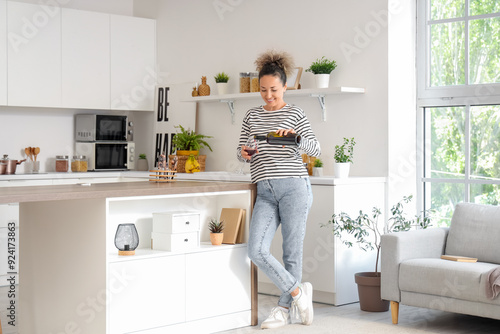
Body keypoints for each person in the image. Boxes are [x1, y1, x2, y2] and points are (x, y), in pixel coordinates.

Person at [236, 50, 321, 329]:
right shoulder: (251, 115)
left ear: (285, 86)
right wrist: (244, 153)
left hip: (294, 187)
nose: (268, 95)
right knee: (256, 250)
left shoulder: (295, 113)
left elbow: (315, 149)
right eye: (263, 90)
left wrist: (295, 139)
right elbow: (240, 151)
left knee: (290, 254)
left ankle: (283, 310)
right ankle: (298, 292)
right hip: (265, 191)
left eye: (273, 89)